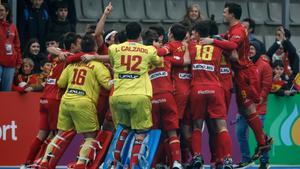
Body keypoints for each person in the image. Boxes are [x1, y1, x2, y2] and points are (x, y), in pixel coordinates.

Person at [200, 2, 273, 164]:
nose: (223, 14)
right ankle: (263, 141)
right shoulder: (233, 30)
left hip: (245, 73)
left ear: (232, 14)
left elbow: (232, 45)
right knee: (244, 110)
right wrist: (216, 38)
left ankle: (263, 142)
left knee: (248, 109)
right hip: (240, 74)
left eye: (225, 12)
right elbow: (226, 39)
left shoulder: (239, 30)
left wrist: (212, 42)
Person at [39, 35, 111, 168]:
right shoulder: (98, 65)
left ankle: (44, 160)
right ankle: (80, 163)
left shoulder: (72, 64)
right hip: (84, 102)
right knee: (90, 136)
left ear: (82, 48)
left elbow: (60, 83)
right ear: (95, 47)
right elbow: (108, 85)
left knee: (60, 134)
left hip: (66, 102)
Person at [108, 22, 163, 168]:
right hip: (139, 95)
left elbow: (114, 64)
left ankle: (114, 163)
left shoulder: (114, 48)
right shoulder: (148, 50)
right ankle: (133, 165)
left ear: (126, 32)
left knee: (124, 128)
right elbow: (158, 62)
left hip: (119, 95)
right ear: (140, 34)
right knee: (141, 132)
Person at [188, 20, 233, 169]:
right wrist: (215, 40)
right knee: (221, 126)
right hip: (215, 88)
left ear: (198, 33)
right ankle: (227, 159)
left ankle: (197, 156)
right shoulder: (217, 46)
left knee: (197, 125)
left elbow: (185, 58)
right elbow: (233, 46)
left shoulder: (192, 46)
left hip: (197, 89)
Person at [236, 41, 273, 169]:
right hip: (245, 107)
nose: (250, 51)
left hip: (258, 107)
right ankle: (247, 159)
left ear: (258, 50)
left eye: (252, 49)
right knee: (240, 133)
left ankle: (264, 161)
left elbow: (266, 85)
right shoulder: (244, 64)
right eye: (249, 49)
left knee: (260, 136)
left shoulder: (265, 65)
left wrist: (260, 99)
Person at [0, 3, 22, 91]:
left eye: (1, 10)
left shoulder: (12, 26)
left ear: (7, 12)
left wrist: (18, 63)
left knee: (6, 91)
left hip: (10, 64)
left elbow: (17, 46)